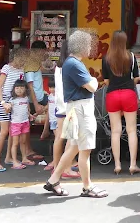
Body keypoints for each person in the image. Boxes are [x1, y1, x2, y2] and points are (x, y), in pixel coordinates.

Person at [44, 30, 107, 198]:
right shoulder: (75, 64)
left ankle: (54, 180)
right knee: (85, 149)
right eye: (88, 45)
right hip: (81, 109)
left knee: (73, 148)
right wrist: (93, 80)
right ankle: (87, 186)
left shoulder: (69, 63)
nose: (90, 48)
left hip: (73, 109)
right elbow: (92, 86)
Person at [102, 30, 140, 175]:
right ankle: (132, 165)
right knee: (131, 130)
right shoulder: (131, 56)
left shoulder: (106, 58)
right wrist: (128, 82)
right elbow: (136, 78)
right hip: (128, 94)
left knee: (115, 131)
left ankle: (117, 165)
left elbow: (106, 81)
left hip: (112, 95)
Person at [45, 40, 80, 178]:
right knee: (71, 138)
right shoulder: (71, 66)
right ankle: (66, 167)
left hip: (60, 105)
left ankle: (56, 165)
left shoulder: (58, 67)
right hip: (70, 105)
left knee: (59, 137)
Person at [0, 51, 26, 172]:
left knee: (12, 131)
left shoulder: (22, 70)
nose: (22, 61)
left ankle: (8, 157)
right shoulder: (6, 68)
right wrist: (3, 102)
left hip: (15, 101)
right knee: (4, 131)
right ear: (14, 57)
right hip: (4, 101)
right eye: (21, 58)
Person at [25, 41, 49, 151]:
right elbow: (30, 87)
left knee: (53, 104)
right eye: (44, 51)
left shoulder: (35, 63)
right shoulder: (30, 65)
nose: (45, 53)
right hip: (34, 100)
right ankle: (27, 150)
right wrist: (36, 105)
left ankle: (45, 131)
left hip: (40, 97)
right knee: (25, 128)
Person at [8, 79, 35, 170]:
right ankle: (15, 161)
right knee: (15, 143)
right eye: (17, 88)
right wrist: (6, 107)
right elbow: (7, 110)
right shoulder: (12, 100)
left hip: (25, 122)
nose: (19, 90)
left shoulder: (26, 99)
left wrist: (30, 115)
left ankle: (24, 158)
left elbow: (27, 109)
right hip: (15, 124)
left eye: (21, 88)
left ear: (25, 89)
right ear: (14, 89)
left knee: (23, 142)